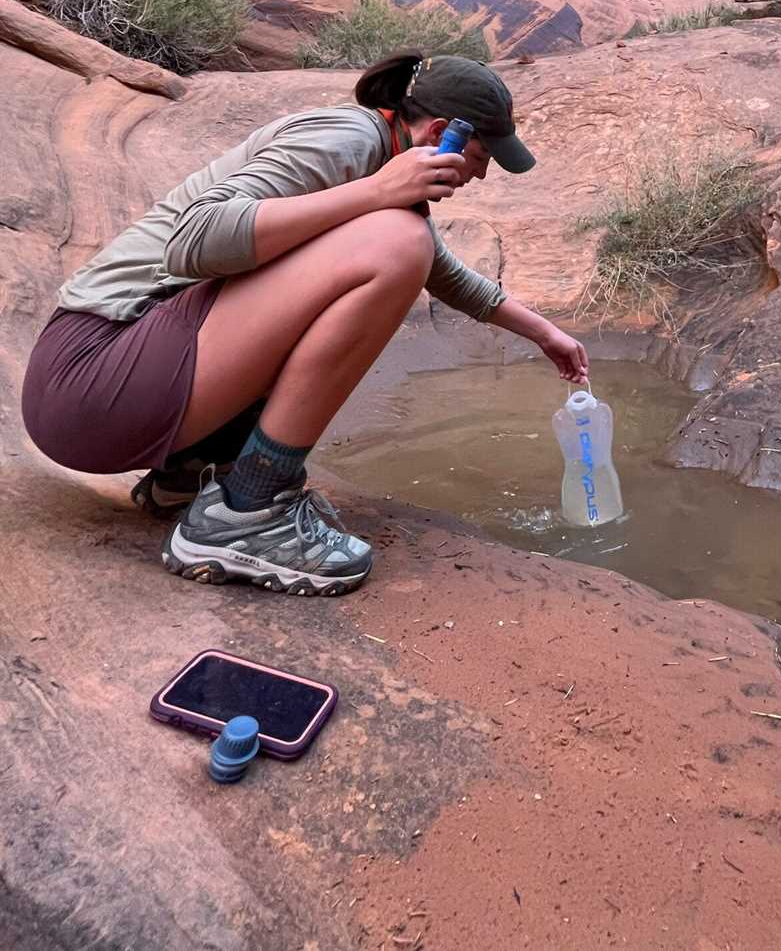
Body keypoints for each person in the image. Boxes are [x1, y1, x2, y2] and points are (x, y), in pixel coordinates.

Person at [21, 53, 587, 597]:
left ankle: (190, 473)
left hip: (113, 385)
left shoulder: (379, 163)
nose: (481, 176)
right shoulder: (350, 140)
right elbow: (194, 241)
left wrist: (546, 335)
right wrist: (374, 194)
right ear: (441, 132)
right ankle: (249, 510)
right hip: (91, 378)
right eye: (482, 157)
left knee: (401, 242)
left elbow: (446, 275)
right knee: (396, 245)